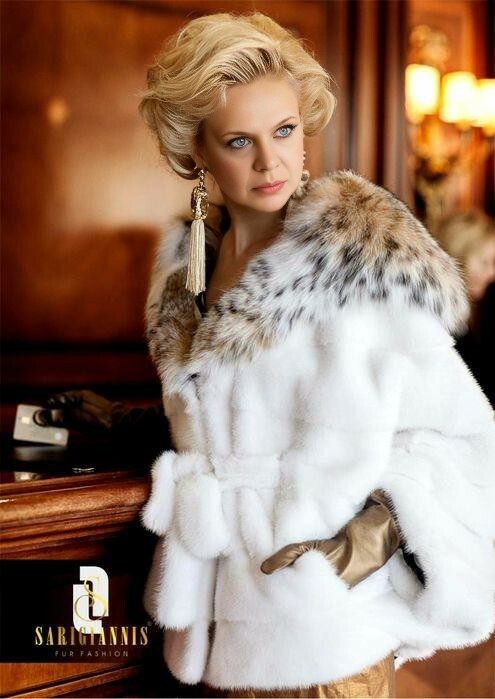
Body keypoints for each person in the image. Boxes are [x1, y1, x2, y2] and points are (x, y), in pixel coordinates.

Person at [44, 11, 495, 698]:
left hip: (324, 631)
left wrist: (372, 535)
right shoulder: (186, 272)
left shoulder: (354, 260)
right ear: (195, 152)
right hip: (218, 625)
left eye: (284, 131)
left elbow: (462, 434)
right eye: (239, 141)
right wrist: (120, 424)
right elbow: (225, 429)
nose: (270, 160)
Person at [434, 210, 495, 406]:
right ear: (459, 257)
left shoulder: (458, 314)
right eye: (485, 262)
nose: (492, 274)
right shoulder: (438, 318)